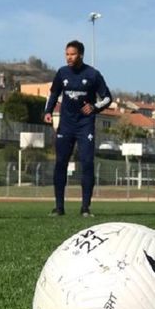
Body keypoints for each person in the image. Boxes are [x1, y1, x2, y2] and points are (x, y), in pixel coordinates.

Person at [42, 40, 112, 217]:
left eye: (72, 54)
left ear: (80, 54)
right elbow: (54, 93)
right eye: (66, 54)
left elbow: (108, 97)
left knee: (87, 163)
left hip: (85, 125)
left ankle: (85, 208)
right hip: (66, 124)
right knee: (60, 164)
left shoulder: (93, 74)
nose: (69, 57)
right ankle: (59, 207)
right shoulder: (62, 73)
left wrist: (95, 107)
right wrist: (48, 111)